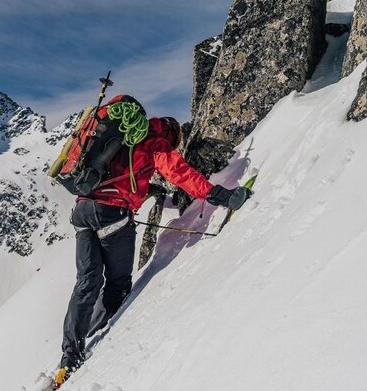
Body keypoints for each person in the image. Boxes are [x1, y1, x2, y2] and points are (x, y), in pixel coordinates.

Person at [53, 101, 252, 389]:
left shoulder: (120, 137)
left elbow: (125, 171)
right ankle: (103, 333)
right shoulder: (154, 142)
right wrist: (220, 196)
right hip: (112, 215)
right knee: (118, 284)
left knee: (86, 282)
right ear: (170, 135)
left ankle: (69, 357)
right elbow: (180, 173)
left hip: (82, 212)